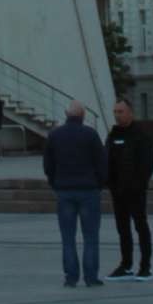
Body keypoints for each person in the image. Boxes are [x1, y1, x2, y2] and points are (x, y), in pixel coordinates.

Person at [42, 101, 106, 288]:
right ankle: (91, 277)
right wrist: (99, 184)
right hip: (89, 191)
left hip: (64, 191)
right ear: (83, 116)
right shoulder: (91, 135)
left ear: (66, 114)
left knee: (68, 238)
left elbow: (48, 165)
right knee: (91, 237)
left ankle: (71, 277)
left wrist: (55, 183)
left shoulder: (54, 136)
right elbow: (102, 163)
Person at [105, 99, 153, 279]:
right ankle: (125, 265)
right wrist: (109, 183)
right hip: (117, 192)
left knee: (140, 227)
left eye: (120, 112)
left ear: (130, 113)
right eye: (115, 112)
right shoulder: (113, 135)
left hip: (135, 192)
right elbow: (108, 160)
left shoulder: (140, 135)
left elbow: (148, 163)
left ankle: (145, 267)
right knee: (122, 228)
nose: (117, 115)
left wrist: (138, 184)